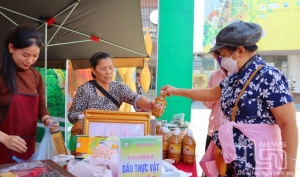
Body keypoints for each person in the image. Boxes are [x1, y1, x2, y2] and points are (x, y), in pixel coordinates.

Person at [161, 21, 298, 176]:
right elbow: (209, 94)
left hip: (257, 160)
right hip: (231, 159)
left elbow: (288, 124)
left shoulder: (269, 76)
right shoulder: (234, 78)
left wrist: (288, 169)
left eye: (224, 55)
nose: (221, 60)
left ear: (240, 51)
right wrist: (177, 91)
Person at [0, 25, 59, 165]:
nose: (30, 60)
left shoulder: (35, 76)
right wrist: (4, 138)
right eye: (25, 55)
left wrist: (47, 121)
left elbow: (40, 105)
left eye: (35, 55)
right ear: (11, 48)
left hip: (26, 145)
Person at [68, 52, 155, 124]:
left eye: (111, 68)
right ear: (93, 71)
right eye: (103, 69)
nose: (108, 72)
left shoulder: (118, 87)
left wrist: (151, 105)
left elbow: (135, 98)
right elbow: (71, 116)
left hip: (112, 135)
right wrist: (85, 114)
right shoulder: (85, 90)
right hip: (89, 138)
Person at [203, 56, 228, 152]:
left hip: (232, 133)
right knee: (209, 164)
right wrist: (218, 98)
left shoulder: (239, 76)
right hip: (213, 130)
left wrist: (216, 98)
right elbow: (207, 103)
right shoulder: (215, 75)